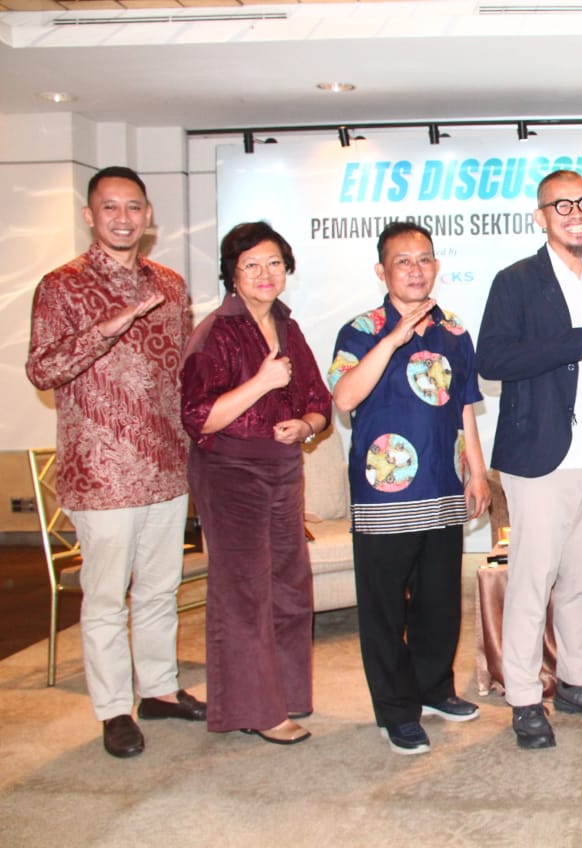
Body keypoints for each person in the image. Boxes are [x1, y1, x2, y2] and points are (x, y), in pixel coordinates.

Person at [26, 166, 206, 759]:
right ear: (90, 215)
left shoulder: (171, 284)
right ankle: (113, 710)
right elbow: (42, 370)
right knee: (106, 599)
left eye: (133, 207)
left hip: (167, 465)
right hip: (101, 471)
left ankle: (158, 690)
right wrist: (104, 329)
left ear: (148, 215)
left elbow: (182, 373)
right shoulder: (61, 286)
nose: (123, 218)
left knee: (159, 589)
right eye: (110, 207)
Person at [477, 169, 582, 749]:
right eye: (561, 205)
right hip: (540, 457)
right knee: (531, 582)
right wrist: (575, 338)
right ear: (540, 217)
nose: (576, 213)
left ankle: (574, 682)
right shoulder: (516, 280)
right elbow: (492, 360)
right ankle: (523, 697)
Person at [329, 221, 490, 755]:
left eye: (424, 260)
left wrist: (477, 469)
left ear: (436, 266)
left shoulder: (454, 330)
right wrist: (393, 340)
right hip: (385, 493)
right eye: (403, 261)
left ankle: (433, 690)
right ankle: (396, 711)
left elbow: (463, 404)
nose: (415, 270)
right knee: (384, 610)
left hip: (442, 485)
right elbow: (344, 398)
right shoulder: (361, 329)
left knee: (439, 602)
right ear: (382, 271)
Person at [181, 221, 331, 746]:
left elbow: (318, 399)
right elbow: (199, 417)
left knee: (289, 585)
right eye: (252, 265)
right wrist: (262, 382)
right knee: (244, 591)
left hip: (283, 468)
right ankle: (253, 709)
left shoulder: (288, 326)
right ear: (233, 273)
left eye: (274, 263)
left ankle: (284, 694)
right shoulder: (215, 332)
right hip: (230, 472)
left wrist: (306, 425)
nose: (265, 274)